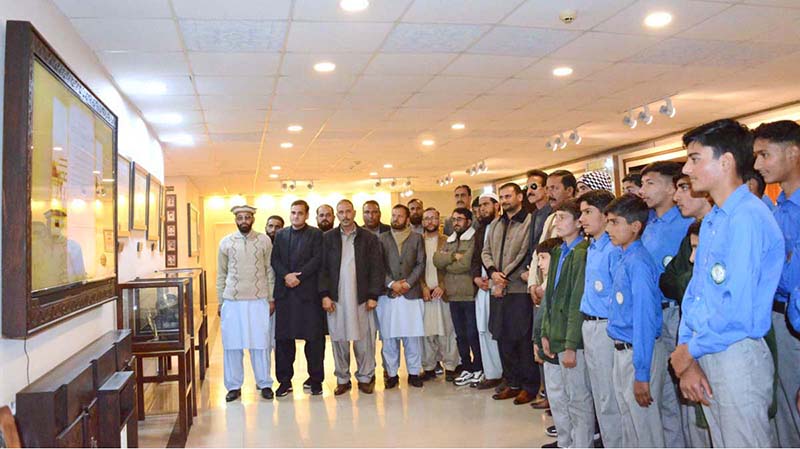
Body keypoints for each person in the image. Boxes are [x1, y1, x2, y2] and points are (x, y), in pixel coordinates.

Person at [671, 119, 783, 448]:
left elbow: (737, 309)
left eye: (695, 159)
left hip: (736, 352)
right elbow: (697, 295)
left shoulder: (748, 217)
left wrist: (690, 350)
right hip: (707, 348)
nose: (687, 169)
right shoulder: (714, 220)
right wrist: (688, 353)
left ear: (726, 162)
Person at [605, 194, 667, 447]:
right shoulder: (623, 257)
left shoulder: (638, 263)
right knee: (629, 425)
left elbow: (644, 320)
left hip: (638, 352)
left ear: (635, 226)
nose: (609, 229)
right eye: (608, 222)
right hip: (622, 350)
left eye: (615, 222)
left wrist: (642, 372)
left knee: (645, 430)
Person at [639, 160, 693, 448]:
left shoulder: (686, 223)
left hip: (674, 313)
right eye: (642, 183)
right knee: (665, 396)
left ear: (673, 187)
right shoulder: (647, 224)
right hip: (651, 316)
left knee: (685, 393)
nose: (643, 190)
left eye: (651, 183)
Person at [753, 120, 800, 447]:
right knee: (783, 415)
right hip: (777, 318)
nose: (757, 165)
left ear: (793, 153)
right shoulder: (777, 208)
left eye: (765, 155)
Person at [660, 174, 714, 448]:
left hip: (715, 341)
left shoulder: (724, 229)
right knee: (695, 420)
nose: (677, 196)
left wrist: (688, 281)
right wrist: (688, 281)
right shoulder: (691, 233)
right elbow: (667, 280)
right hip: (690, 331)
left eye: (684, 188)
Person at [538, 199, 594, 448]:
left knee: (578, 398)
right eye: (555, 218)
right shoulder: (559, 252)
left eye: (562, 218)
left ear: (578, 222)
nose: (557, 223)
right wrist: (545, 332)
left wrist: (571, 344)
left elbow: (575, 301)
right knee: (564, 396)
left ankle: (582, 443)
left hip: (572, 337)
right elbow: (549, 299)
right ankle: (567, 442)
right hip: (556, 332)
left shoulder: (581, 253)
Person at [318, 199, 384, 395]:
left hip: (362, 298)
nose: (345, 216)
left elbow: (377, 268)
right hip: (336, 298)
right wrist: (324, 295)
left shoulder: (368, 238)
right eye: (341, 212)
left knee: (364, 340)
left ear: (354, 213)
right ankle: (342, 379)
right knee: (339, 341)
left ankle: (365, 377)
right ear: (336, 215)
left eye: (348, 211)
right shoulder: (328, 238)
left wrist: (373, 295)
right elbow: (322, 269)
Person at [577, 190, 623, 448]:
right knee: (599, 394)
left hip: (606, 326)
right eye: (581, 213)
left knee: (609, 397)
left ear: (605, 215)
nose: (582, 219)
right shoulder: (593, 247)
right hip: (589, 324)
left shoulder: (612, 249)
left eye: (588, 212)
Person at [482, 183, 536, 404]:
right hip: (498, 289)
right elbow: (486, 251)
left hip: (518, 290)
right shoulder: (496, 224)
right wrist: (493, 273)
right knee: (502, 337)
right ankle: (512, 382)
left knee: (521, 339)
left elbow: (524, 252)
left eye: (508, 196)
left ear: (520, 197)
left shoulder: (529, 221)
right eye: (502, 197)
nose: (504, 201)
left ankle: (529, 386)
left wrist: (503, 276)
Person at [217, 205, 276, 402]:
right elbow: (221, 274)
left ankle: (264, 383)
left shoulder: (264, 240)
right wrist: (220, 300)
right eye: (240, 217)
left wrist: (271, 298)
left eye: (247, 217)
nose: (244, 221)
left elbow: (269, 271)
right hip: (232, 300)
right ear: (236, 220)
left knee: (261, 343)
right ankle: (234, 386)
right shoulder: (226, 242)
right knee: (232, 344)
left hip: (258, 299)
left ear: (253, 219)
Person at [271, 200, 326, 397]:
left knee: (314, 341)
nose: (296, 216)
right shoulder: (281, 235)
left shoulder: (316, 234)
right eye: (293, 212)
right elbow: (275, 259)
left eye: (300, 213)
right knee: (284, 342)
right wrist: (286, 275)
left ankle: (316, 380)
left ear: (307, 215)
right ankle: (284, 382)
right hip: (286, 295)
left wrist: (298, 277)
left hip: (308, 295)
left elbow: (317, 259)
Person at [377, 204, 427, 389]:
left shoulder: (417, 238)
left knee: (412, 337)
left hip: (411, 294)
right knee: (389, 338)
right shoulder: (382, 239)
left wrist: (407, 284)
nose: (395, 219)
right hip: (388, 295)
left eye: (399, 216)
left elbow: (421, 263)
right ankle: (391, 374)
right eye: (394, 215)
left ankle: (413, 373)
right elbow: (378, 266)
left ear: (407, 219)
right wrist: (392, 284)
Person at [434, 207, 481, 386]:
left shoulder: (474, 238)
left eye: (460, 219)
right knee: (460, 335)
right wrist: (454, 256)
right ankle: (467, 368)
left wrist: (448, 262)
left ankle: (478, 368)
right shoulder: (450, 239)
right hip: (452, 295)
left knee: (472, 334)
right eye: (454, 219)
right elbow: (437, 260)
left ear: (468, 221)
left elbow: (466, 264)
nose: (456, 223)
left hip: (469, 295)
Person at [419, 207, 461, 383]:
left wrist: (442, 286)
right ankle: (429, 367)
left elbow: (453, 267)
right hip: (425, 294)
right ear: (422, 222)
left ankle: (451, 366)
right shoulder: (417, 242)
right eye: (426, 218)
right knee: (427, 333)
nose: (430, 221)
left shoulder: (448, 241)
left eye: (433, 218)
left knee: (447, 331)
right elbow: (414, 267)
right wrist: (423, 287)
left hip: (443, 293)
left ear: (440, 221)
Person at [471, 192, 504, 390]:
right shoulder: (480, 230)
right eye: (480, 205)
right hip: (482, 287)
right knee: (483, 329)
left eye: (486, 204)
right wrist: (476, 277)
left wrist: (494, 278)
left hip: (499, 285)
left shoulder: (503, 226)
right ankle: (491, 373)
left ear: (496, 206)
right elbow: (475, 257)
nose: (482, 209)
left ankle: (505, 374)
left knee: (497, 330)